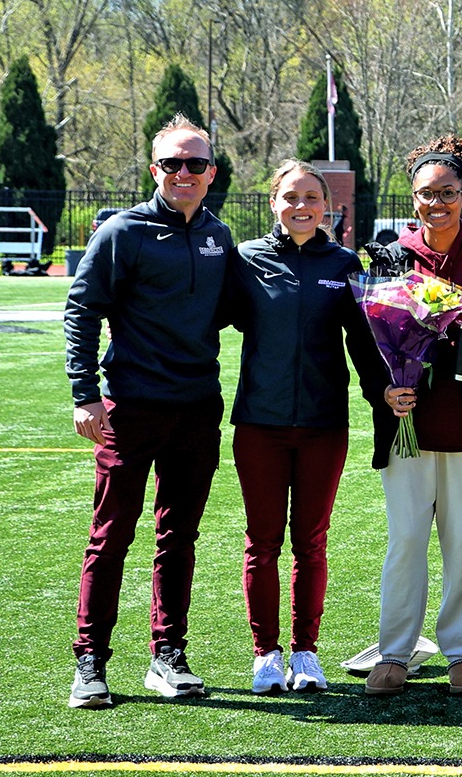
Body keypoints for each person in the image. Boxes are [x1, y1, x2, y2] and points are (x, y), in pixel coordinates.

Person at [64, 116, 234, 707]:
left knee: (178, 537)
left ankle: (167, 655)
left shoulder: (221, 236)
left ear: (212, 172)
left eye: (195, 164)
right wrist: (85, 394)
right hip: (129, 409)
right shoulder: (121, 231)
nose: (183, 174)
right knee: (110, 536)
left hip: (196, 410)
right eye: (171, 164)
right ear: (154, 169)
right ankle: (90, 662)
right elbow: (82, 312)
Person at [359, 135, 462, 697]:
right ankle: (395, 651)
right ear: (413, 197)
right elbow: (363, 338)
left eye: (448, 192)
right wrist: (383, 388)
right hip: (407, 430)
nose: (438, 203)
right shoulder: (388, 255)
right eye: (427, 194)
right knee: (405, 542)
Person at [224, 160, 385, 695]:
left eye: (311, 198)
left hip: (322, 426)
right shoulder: (245, 260)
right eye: (290, 197)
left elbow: (363, 344)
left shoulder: (342, 262)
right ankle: (265, 654)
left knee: (311, 543)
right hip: (259, 426)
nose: (301, 207)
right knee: (263, 543)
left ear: (327, 206)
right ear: (273, 202)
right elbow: (197, 318)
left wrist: (383, 392)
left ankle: (306, 653)